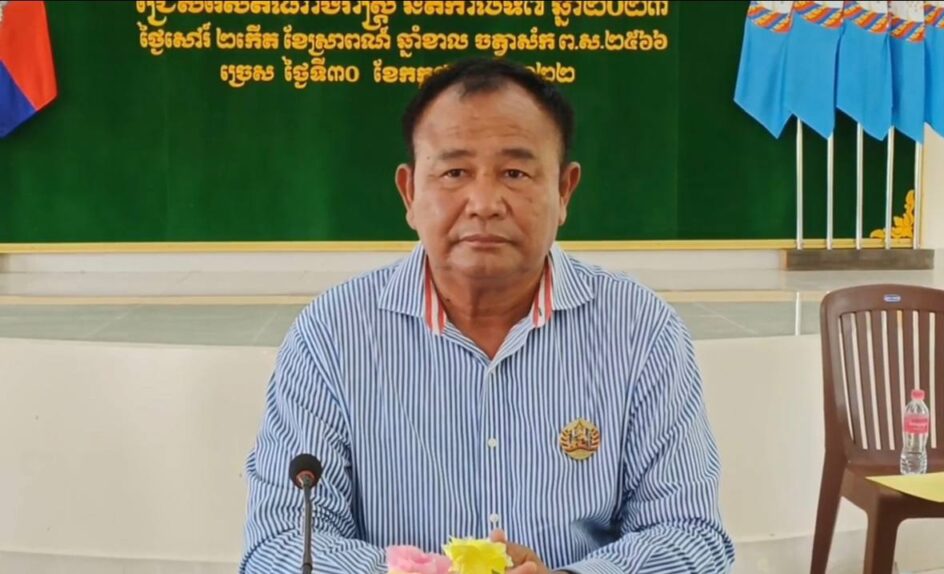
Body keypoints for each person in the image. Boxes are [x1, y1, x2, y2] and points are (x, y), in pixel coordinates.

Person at [240, 57, 735, 574]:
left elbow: (690, 536)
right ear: (410, 193)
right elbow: (280, 548)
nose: (484, 202)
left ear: (564, 191)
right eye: (454, 172)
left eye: (515, 173)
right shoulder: (332, 335)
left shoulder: (639, 330)